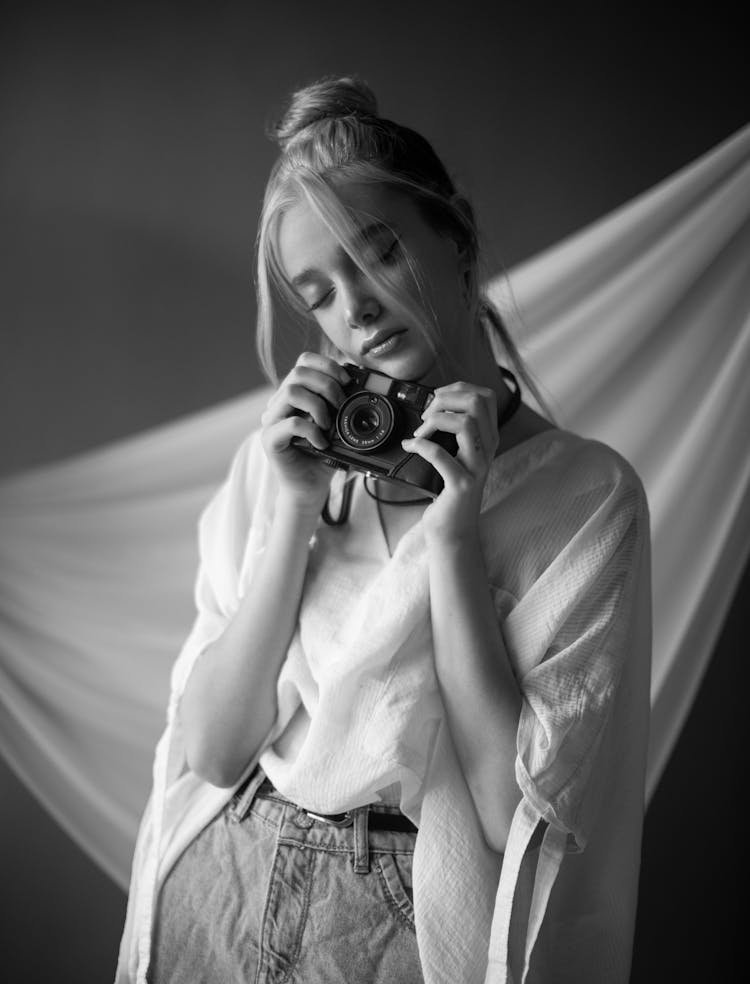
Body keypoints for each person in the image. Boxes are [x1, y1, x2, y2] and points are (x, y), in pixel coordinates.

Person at [116, 75, 652, 984]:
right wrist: (289, 510)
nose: (354, 312)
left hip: (398, 933)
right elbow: (211, 750)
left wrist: (451, 537)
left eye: (378, 255)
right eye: (318, 294)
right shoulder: (281, 465)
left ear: (460, 237)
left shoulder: (585, 494)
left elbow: (503, 813)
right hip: (222, 885)